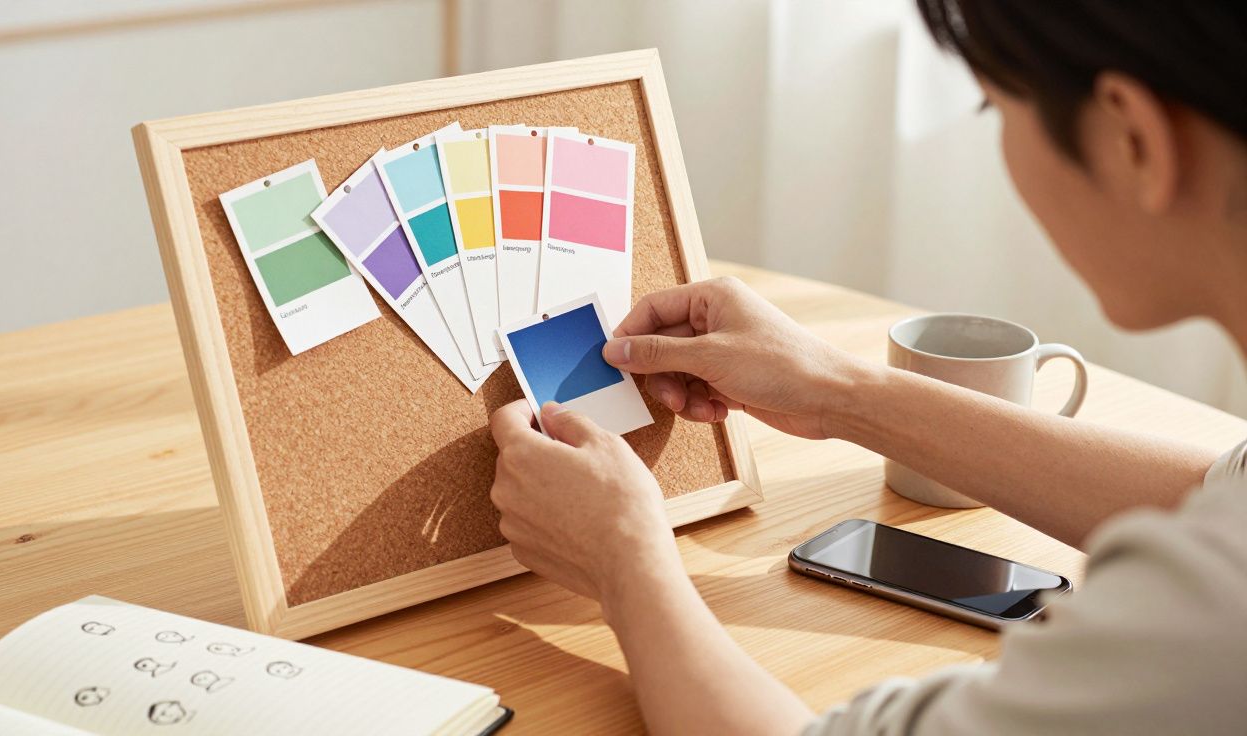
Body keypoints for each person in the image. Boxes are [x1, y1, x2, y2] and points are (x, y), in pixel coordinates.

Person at [487, 1, 1247, 734]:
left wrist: (626, 563)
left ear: (1132, 138)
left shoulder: (1203, 624)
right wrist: (838, 392)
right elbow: (1218, 494)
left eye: (995, 108)